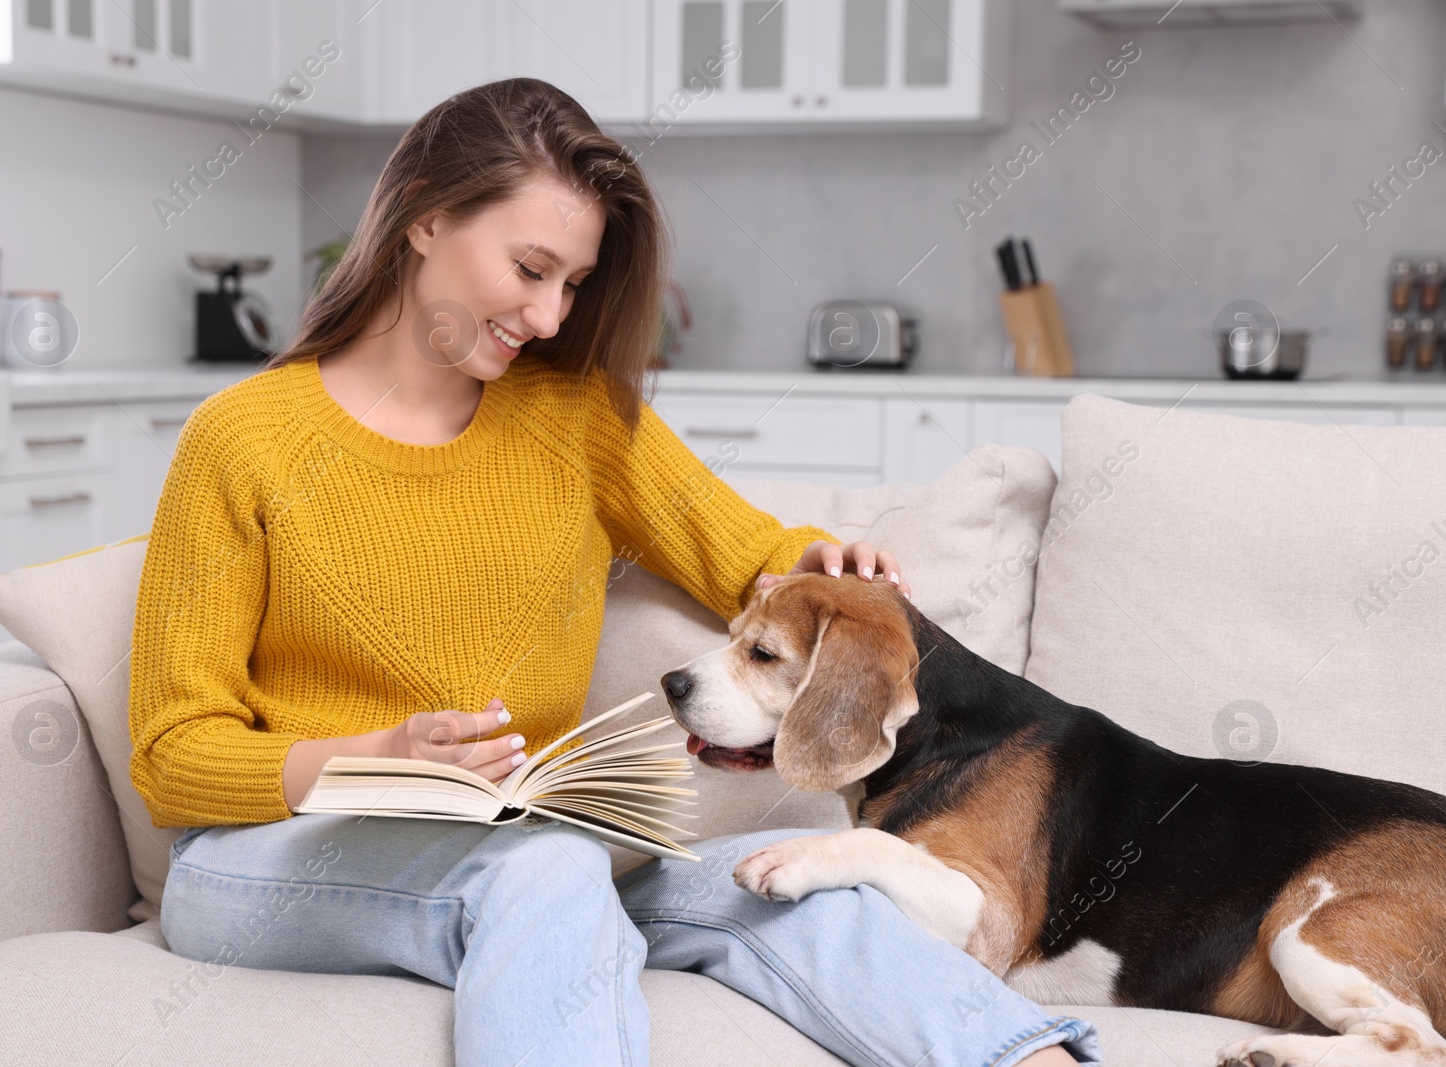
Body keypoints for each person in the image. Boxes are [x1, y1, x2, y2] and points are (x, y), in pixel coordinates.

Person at [128, 77, 1100, 1067]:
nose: (551, 316)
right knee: (540, 869)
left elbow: (746, 551)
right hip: (266, 864)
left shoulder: (578, 418)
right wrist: (382, 750)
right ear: (424, 217)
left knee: (796, 882)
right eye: (530, 267)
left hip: (525, 853)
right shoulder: (242, 439)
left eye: (573, 283)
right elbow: (173, 753)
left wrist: (816, 564)